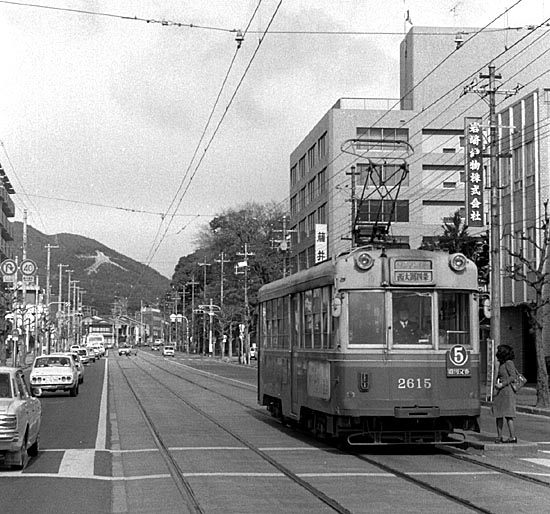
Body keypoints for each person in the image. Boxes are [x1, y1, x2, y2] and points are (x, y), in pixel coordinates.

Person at [492, 344, 518, 443]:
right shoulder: (502, 364)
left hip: (507, 391)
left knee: (508, 414)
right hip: (500, 392)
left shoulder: (509, 363)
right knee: (498, 414)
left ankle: (512, 436)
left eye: (498, 351)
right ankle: (499, 436)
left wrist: (502, 384)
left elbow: (513, 376)